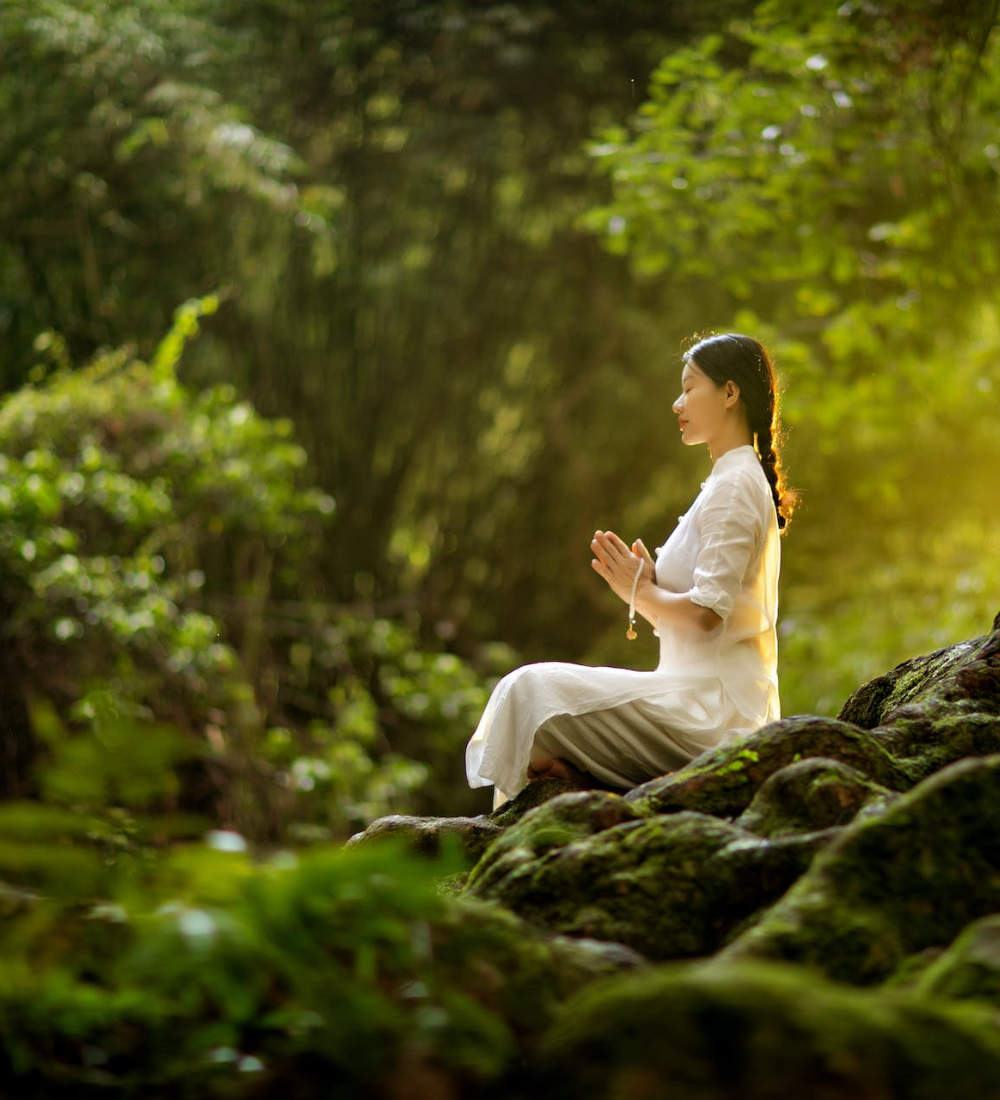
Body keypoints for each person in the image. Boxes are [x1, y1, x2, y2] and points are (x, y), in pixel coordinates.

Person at [465, 332, 796, 809]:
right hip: (693, 696)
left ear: (729, 393)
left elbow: (707, 614)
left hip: (715, 712)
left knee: (530, 692)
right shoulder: (727, 481)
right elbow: (703, 611)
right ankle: (571, 800)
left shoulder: (736, 485)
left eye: (689, 388)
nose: (677, 402)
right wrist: (650, 585)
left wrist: (640, 591)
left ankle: (508, 849)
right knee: (532, 722)